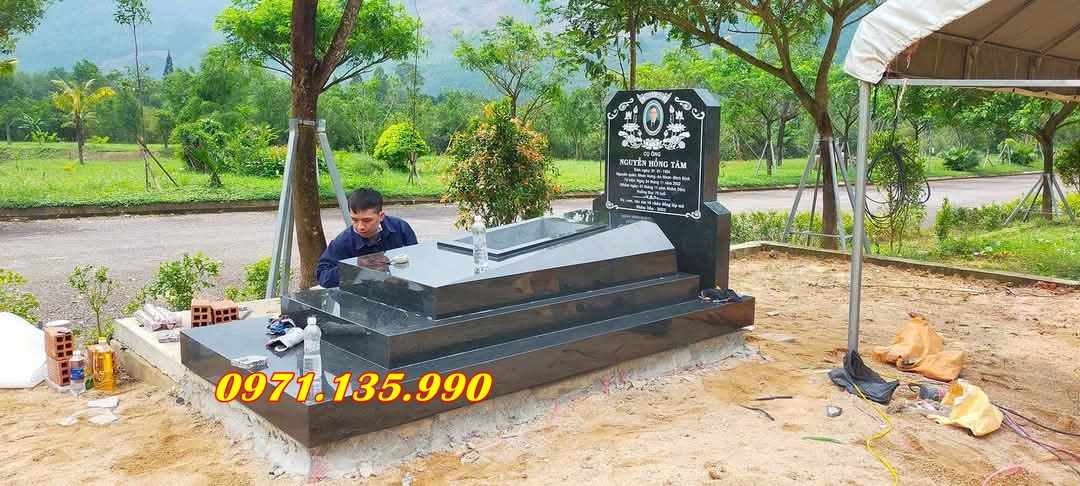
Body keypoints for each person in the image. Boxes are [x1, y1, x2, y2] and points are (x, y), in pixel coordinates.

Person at [316, 188, 418, 288]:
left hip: (400, 289)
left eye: (367, 220)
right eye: (354, 220)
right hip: (361, 294)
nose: (360, 227)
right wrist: (354, 267)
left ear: (381, 216)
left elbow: (418, 258)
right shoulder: (343, 242)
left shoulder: (400, 227)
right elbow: (323, 277)